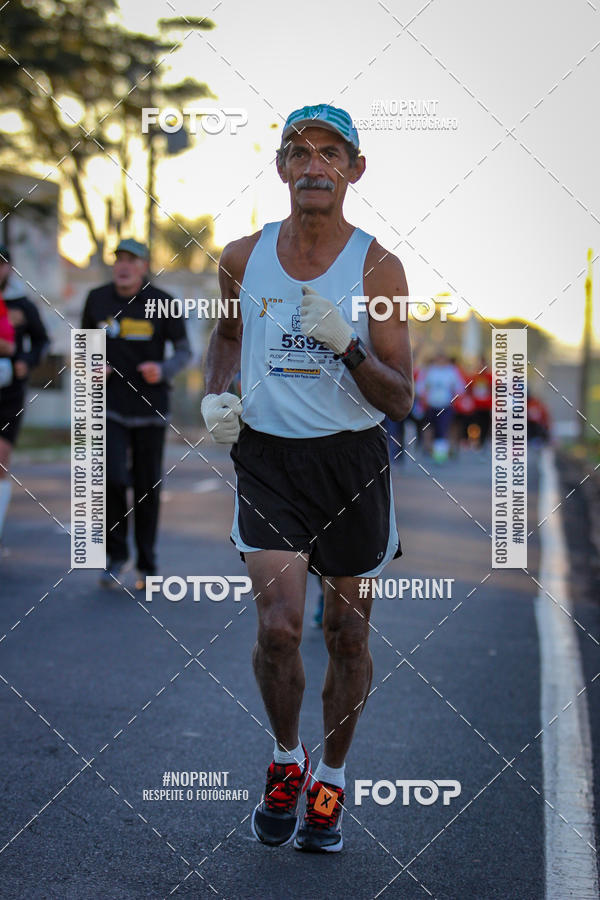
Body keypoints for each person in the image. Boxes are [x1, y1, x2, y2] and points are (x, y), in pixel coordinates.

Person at [201, 104, 413, 853]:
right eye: (299, 152)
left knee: (347, 636)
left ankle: (331, 780)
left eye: (330, 153)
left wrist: (348, 347)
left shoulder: (378, 267)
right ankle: (286, 759)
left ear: (354, 170)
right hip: (268, 461)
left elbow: (400, 398)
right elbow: (226, 335)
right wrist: (217, 393)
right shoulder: (240, 256)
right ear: (281, 168)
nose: (313, 165)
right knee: (280, 628)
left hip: (351, 464)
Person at [81, 238, 191, 590]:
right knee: (112, 478)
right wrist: (94, 364)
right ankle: (116, 557)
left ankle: (146, 563)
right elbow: (85, 347)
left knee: (147, 488)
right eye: (119, 259)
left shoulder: (163, 302)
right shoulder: (97, 299)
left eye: (132, 260)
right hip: (109, 407)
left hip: (150, 408)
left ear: (144, 266)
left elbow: (184, 352)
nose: (124, 266)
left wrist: (163, 368)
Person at [0, 244, 49, 550]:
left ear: (9, 268)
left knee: (1, 458)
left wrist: (26, 361)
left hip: (9, 392)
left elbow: (42, 341)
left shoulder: (22, 304)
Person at [418, 352, 465, 462]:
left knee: (443, 428)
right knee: (430, 428)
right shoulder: (428, 371)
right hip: (431, 405)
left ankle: (441, 454)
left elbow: (460, 388)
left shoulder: (451, 371)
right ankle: (429, 449)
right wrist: (424, 397)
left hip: (445, 405)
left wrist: (454, 399)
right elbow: (420, 387)